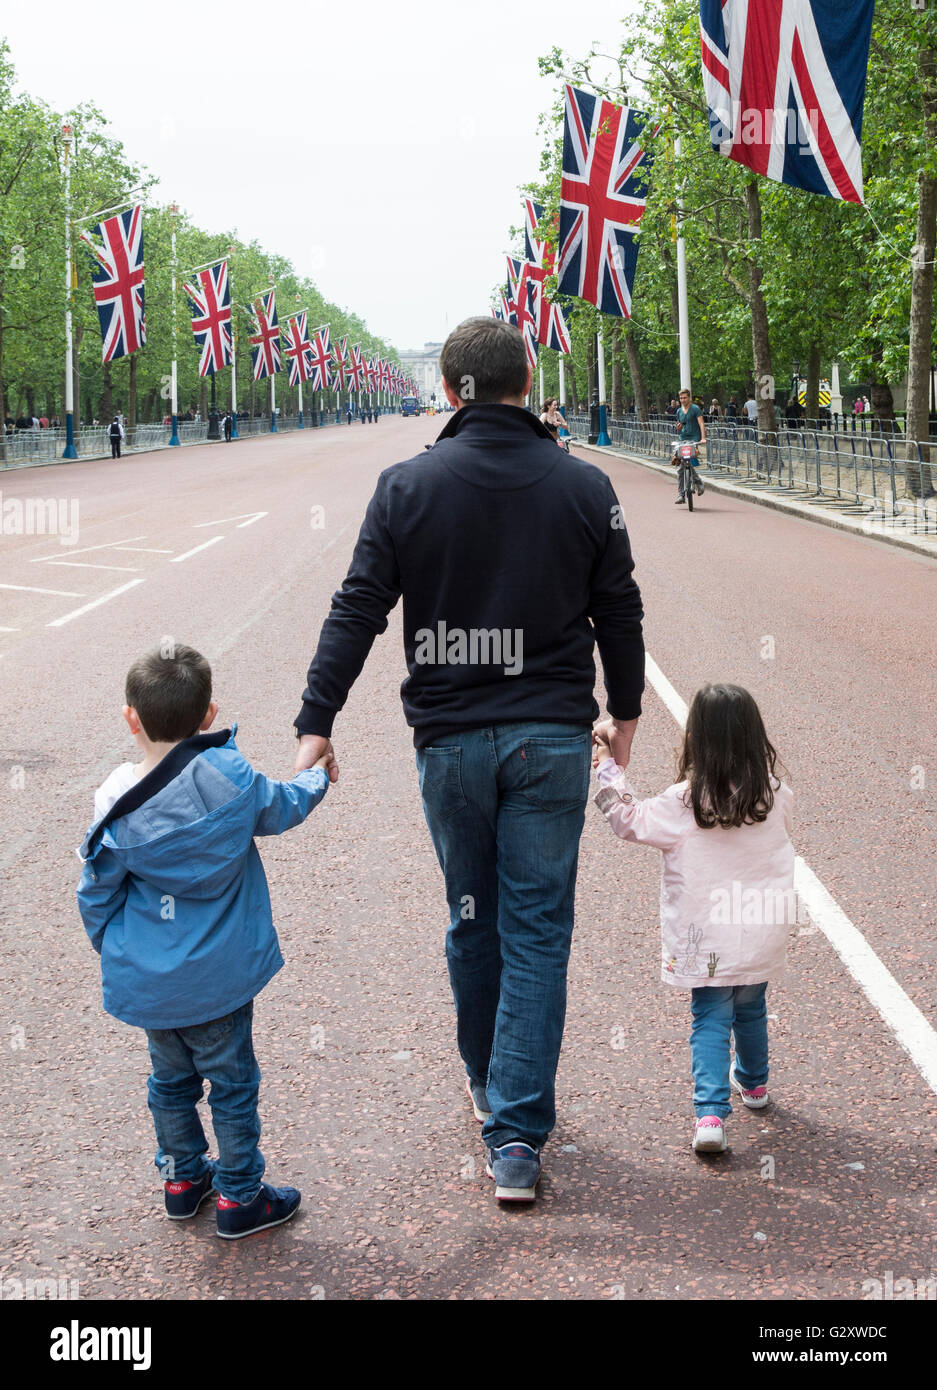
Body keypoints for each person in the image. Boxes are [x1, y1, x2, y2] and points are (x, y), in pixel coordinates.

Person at [293, 316, 644, 1204]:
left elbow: (358, 606)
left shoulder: (406, 485)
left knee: (471, 916)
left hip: (449, 742)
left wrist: (316, 719)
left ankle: (487, 1078)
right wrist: (627, 714)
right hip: (552, 739)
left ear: (450, 392)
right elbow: (620, 612)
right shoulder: (582, 484)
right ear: (526, 383)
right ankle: (516, 1138)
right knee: (537, 930)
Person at [76, 644, 335, 1238]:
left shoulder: (115, 802)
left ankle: (183, 1180)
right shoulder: (230, 779)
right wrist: (317, 775)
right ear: (209, 714)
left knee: (169, 1084)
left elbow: (96, 893)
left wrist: (119, 950)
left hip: (151, 982)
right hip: (220, 979)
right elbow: (284, 806)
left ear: (130, 717)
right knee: (233, 1086)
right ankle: (241, 1197)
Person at [591, 683, 794, 1154]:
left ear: (696, 740)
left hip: (706, 939)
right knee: (751, 1007)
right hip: (761, 930)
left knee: (709, 1017)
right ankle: (755, 1086)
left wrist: (606, 766)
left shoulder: (685, 802)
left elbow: (626, 820)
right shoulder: (777, 794)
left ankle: (710, 1115)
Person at [671, 387, 706, 503]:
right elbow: (679, 428)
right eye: (681, 398)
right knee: (680, 466)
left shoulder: (695, 409)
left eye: (685, 397)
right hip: (682, 439)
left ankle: (687, 490)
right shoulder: (679, 411)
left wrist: (703, 438)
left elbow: (701, 424)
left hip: (693, 439)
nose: (683, 400)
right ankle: (686, 491)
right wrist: (678, 428)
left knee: (686, 461)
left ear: (689, 398)